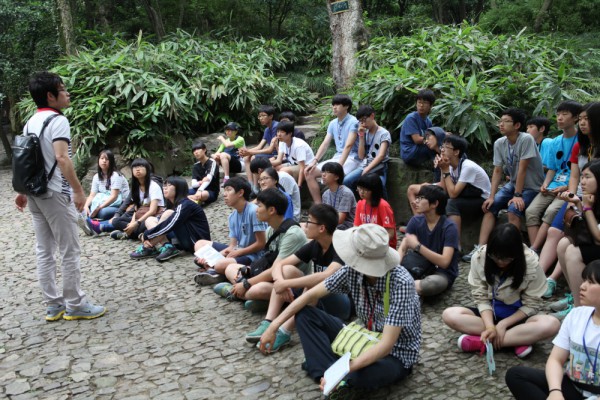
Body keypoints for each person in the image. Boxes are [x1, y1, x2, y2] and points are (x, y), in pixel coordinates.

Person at [258, 224, 421, 397]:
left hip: (395, 352)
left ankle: (330, 372)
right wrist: (273, 326)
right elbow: (310, 295)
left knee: (358, 376)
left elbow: (387, 345)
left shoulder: (401, 282)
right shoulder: (352, 271)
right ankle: (329, 376)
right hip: (362, 337)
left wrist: (345, 369)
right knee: (305, 314)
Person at [14, 71, 105, 321]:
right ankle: (75, 304)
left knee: (44, 250)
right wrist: (78, 190)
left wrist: (22, 191)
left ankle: (54, 305)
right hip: (55, 193)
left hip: (35, 193)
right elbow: (62, 158)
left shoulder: (30, 122)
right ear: (50, 96)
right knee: (69, 249)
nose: (67, 93)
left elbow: (25, 160)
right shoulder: (58, 121)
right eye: (63, 89)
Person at [442, 223, 560, 358]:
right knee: (450, 314)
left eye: (506, 259)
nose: (500, 262)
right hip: (490, 316)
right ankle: (517, 339)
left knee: (551, 324)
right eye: (495, 257)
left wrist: (504, 324)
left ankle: (483, 343)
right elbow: (481, 297)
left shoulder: (531, 263)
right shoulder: (480, 257)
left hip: (519, 320)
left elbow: (532, 304)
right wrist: (490, 327)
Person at [245, 204, 352, 352]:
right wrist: (281, 282)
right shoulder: (315, 244)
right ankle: (268, 321)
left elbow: (327, 276)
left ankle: (284, 331)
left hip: (341, 304)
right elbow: (279, 264)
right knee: (286, 270)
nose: (305, 225)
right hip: (318, 299)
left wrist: (286, 284)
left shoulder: (340, 247)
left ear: (322, 228)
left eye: (309, 221)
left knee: (314, 282)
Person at [505, 260, 600, 400]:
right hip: (573, 386)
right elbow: (556, 359)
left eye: (591, 282)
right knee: (516, 375)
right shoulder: (577, 315)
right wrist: (555, 391)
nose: (582, 286)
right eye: (584, 280)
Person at [463, 108, 545, 262]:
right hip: (513, 184)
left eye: (506, 121)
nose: (501, 124)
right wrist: (491, 196)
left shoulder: (526, 139)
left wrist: (517, 195)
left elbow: (522, 169)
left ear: (517, 125)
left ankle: (514, 251)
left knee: (514, 210)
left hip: (532, 186)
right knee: (490, 206)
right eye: (500, 121)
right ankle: (480, 248)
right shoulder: (499, 143)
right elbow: (497, 170)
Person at [542, 103, 600, 302]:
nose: (582, 123)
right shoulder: (580, 146)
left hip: (592, 203)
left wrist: (585, 205)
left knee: (569, 245)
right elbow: (575, 176)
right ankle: (546, 279)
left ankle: (575, 298)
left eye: (587, 119)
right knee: (557, 235)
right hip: (579, 198)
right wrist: (572, 199)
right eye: (581, 119)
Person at [215, 188, 307, 312]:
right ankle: (255, 298)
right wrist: (249, 272)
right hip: (273, 278)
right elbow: (267, 261)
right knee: (230, 268)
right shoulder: (270, 230)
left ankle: (236, 292)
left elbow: (276, 269)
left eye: (259, 206)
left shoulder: (292, 234)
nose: (256, 210)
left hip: (292, 281)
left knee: (256, 289)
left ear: (271, 210)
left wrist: (247, 283)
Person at [526, 101, 582, 251]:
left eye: (564, 114)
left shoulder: (582, 141)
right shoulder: (555, 141)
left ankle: (534, 248)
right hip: (552, 186)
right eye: (558, 114)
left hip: (568, 188)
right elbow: (552, 168)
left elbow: (581, 173)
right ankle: (536, 250)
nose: (560, 118)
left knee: (551, 212)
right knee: (531, 211)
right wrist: (545, 184)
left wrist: (566, 187)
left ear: (576, 118)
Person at [193, 177, 267, 285]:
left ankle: (217, 271)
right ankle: (214, 268)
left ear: (240, 192)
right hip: (238, 251)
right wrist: (212, 257)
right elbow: (232, 246)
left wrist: (238, 252)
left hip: (254, 256)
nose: (224, 194)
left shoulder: (253, 211)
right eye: (224, 190)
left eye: (228, 190)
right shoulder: (232, 216)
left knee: (220, 264)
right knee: (200, 244)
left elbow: (261, 243)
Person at [129, 176, 211, 262]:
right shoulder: (172, 204)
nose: (165, 188)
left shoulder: (186, 204)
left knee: (168, 213)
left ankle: (148, 246)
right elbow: (163, 223)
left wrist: (147, 235)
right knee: (150, 220)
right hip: (179, 239)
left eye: (169, 185)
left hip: (194, 243)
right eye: (164, 185)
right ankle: (167, 246)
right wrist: (148, 234)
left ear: (179, 189)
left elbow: (169, 224)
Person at [556, 160, 600, 316]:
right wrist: (579, 204)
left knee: (573, 252)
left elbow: (598, 237)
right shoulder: (592, 197)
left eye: (588, 177)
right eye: (582, 177)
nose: (582, 182)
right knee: (563, 244)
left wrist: (586, 207)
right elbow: (591, 225)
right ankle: (576, 300)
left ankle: (581, 311)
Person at [399, 185, 459, 298]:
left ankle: (405, 287)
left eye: (421, 198)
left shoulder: (449, 227)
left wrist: (418, 246)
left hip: (441, 273)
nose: (415, 201)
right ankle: (407, 288)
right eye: (417, 198)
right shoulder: (415, 220)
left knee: (430, 285)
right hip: (419, 265)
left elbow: (445, 262)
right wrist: (394, 267)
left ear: (435, 204)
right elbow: (403, 247)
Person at [436, 135, 491, 250]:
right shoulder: (450, 165)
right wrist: (442, 168)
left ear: (456, 152)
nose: (442, 150)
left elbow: (453, 194)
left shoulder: (468, 167)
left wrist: (445, 170)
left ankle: (455, 246)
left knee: (451, 203)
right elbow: (444, 190)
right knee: (437, 199)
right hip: (468, 197)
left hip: (483, 201)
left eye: (446, 147)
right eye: (442, 147)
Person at [305, 94, 360, 203]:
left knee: (332, 175)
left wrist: (338, 166)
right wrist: (315, 160)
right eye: (333, 104)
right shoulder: (333, 123)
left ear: (346, 106)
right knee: (309, 172)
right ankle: (319, 205)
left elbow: (348, 146)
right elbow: (325, 143)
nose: (334, 107)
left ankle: (336, 205)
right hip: (337, 157)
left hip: (352, 158)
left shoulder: (354, 122)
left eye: (337, 104)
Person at [96, 158, 166, 238]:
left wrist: (136, 223)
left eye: (141, 166)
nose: (137, 169)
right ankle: (135, 234)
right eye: (135, 167)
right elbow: (136, 208)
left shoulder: (153, 186)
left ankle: (129, 234)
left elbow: (153, 211)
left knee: (145, 224)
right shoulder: (136, 187)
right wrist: (132, 222)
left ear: (147, 169)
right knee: (116, 221)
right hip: (140, 216)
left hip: (152, 218)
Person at [79, 149, 129, 235]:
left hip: (120, 205)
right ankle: (90, 224)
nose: (104, 161)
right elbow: (92, 195)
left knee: (103, 213)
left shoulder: (116, 176)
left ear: (111, 161)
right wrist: (86, 206)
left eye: (107, 159)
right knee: (86, 210)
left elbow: (114, 197)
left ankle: (94, 224)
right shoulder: (96, 177)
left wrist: (99, 208)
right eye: (102, 158)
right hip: (103, 202)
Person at [343, 105, 391, 194]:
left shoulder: (384, 133)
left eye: (364, 120)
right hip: (364, 165)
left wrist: (367, 169)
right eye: (361, 121)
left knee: (379, 186)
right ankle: (355, 202)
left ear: (372, 116)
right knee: (346, 181)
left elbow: (381, 155)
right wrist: (361, 136)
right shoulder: (366, 132)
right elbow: (361, 156)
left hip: (379, 168)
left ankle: (384, 203)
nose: (363, 124)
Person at [406, 127, 446, 214]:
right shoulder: (434, 153)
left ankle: (417, 219)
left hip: (448, 186)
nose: (426, 141)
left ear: (438, 136)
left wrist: (430, 185)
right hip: (439, 184)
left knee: (412, 189)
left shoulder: (446, 153)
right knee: (412, 189)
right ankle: (418, 219)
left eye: (428, 137)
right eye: (425, 139)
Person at [240, 105, 279, 191]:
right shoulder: (267, 129)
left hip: (278, 154)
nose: (260, 118)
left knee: (254, 158)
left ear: (271, 116)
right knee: (246, 157)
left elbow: (270, 150)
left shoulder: (276, 126)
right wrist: (246, 152)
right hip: (271, 154)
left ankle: (256, 188)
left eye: (263, 115)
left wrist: (250, 152)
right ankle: (250, 185)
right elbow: (259, 146)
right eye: (259, 116)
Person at [250, 157, 301, 221]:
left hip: (289, 217)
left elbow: (285, 203)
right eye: (260, 179)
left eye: (265, 178)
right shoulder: (267, 184)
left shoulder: (282, 178)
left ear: (259, 171)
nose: (262, 182)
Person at [355, 173, 397, 249]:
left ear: (374, 190)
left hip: (382, 245)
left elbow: (390, 233)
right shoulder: (360, 204)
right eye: (360, 188)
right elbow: (356, 227)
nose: (361, 192)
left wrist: (374, 242)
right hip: (365, 243)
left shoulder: (383, 206)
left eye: (366, 189)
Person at [272, 121, 315, 189]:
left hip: (308, 167)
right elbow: (278, 161)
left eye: (282, 132)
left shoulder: (298, 145)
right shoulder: (282, 142)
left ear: (290, 133)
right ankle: (275, 189)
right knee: (272, 169)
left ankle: (287, 189)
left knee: (284, 171)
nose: (279, 134)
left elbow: (302, 167)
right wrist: (264, 163)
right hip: (294, 164)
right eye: (278, 131)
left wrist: (299, 186)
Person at [399, 89, 436, 167]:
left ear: (431, 105)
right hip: (409, 152)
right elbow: (417, 140)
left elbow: (428, 138)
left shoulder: (428, 121)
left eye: (425, 103)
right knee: (435, 147)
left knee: (437, 146)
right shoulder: (411, 118)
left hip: (418, 150)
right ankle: (439, 171)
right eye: (419, 102)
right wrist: (436, 137)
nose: (421, 105)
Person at [321, 162, 356, 230]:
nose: (323, 175)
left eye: (327, 172)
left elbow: (340, 220)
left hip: (347, 227)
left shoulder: (346, 193)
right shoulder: (325, 194)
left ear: (336, 177)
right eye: (323, 171)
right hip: (332, 225)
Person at [212, 122, 245, 186]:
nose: (227, 132)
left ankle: (226, 178)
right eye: (227, 130)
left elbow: (227, 145)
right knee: (216, 157)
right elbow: (217, 153)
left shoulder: (240, 139)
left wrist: (222, 138)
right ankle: (214, 179)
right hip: (229, 165)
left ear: (236, 131)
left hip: (240, 165)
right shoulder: (226, 141)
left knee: (223, 154)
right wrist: (215, 155)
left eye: (230, 130)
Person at [188, 141, 219, 206]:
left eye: (198, 149)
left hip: (210, 191)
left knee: (202, 194)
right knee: (180, 192)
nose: (196, 152)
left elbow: (208, 179)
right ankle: (193, 200)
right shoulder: (195, 166)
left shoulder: (212, 162)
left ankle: (188, 200)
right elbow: (193, 184)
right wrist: (201, 182)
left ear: (204, 150)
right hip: (196, 190)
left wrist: (200, 190)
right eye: (194, 151)